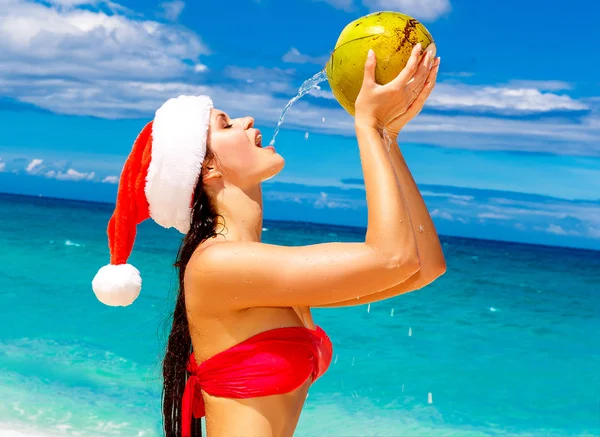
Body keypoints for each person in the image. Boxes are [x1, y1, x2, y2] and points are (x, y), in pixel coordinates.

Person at [91, 43, 444, 437]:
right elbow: (392, 258)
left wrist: (388, 137)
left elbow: (422, 266)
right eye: (225, 125)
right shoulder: (215, 265)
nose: (246, 120)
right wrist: (367, 127)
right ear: (206, 168)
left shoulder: (259, 270)